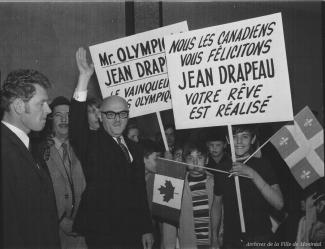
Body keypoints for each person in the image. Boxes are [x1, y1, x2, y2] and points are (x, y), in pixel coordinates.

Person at [70, 47, 153, 249]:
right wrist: (84, 78)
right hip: (103, 234)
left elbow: (140, 191)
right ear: (100, 116)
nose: (117, 120)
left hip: (132, 232)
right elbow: (76, 125)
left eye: (122, 114)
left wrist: (146, 228)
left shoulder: (135, 147)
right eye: (110, 114)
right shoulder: (91, 142)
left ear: (128, 116)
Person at [1, 69, 61, 248]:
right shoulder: (4, 151)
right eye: (41, 103)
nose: (48, 110)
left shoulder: (26, 145)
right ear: (19, 106)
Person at [214, 124, 284, 249]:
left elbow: (279, 203)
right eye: (234, 136)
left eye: (245, 136)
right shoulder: (221, 168)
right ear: (228, 139)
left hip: (261, 239)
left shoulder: (264, 164)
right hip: (231, 240)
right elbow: (217, 206)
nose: (239, 141)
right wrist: (214, 236)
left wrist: (252, 173)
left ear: (253, 139)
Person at [41, 96, 86, 249]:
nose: (64, 119)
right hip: (52, 232)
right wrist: (60, 219)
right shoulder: (39, 151)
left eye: (68, 115)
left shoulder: (83, 149)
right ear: (50, 119)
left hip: (82, 234)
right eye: (59, 115)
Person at [161, 141, 219, 249]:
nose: (195, 163)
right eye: (190, 158)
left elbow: (220, 212)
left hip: (210, 243)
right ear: (184, 161)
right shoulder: (177, 184)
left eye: (200, 158)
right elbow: (169, 220)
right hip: (187, 243)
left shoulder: (214, 182)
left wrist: (217, 238)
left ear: (207, 160)